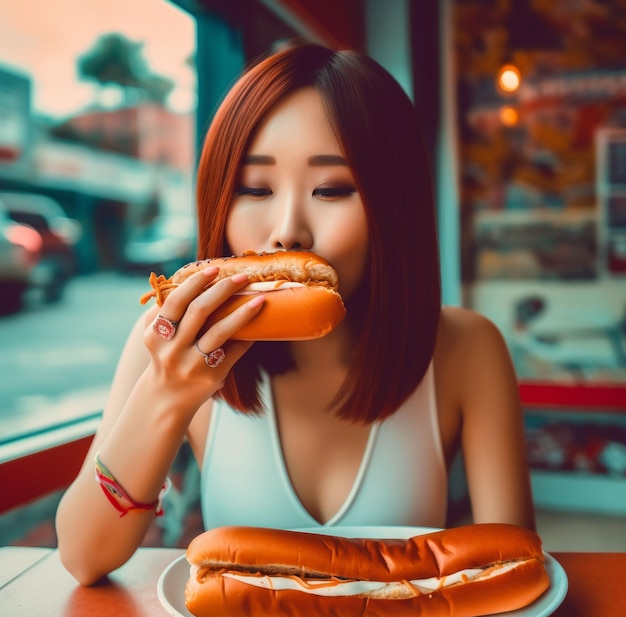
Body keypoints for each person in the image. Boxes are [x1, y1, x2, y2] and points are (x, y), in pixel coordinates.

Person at [56, 41, 535, 586]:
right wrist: (167, 393)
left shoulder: (466, 346)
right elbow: (82, 557)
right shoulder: (168, 339)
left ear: (395, 208)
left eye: (331, 189)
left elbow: (513, 570)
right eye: (255, 188)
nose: (288, 229)